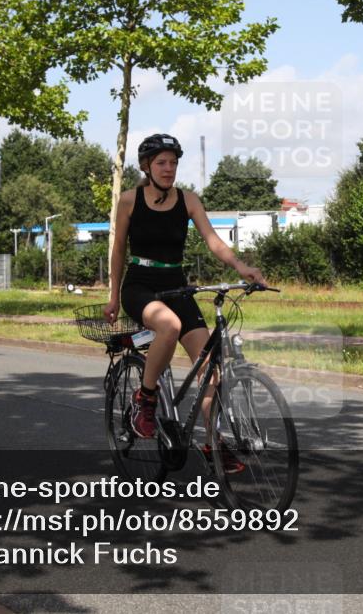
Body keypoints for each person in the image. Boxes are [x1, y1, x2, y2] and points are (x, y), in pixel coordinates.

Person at [103, 133, 267, 473]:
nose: (169, 168)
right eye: (162, 162)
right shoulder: (130, 200)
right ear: (147, 166)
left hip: (177, 286)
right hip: (140, 286)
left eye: (174, 162)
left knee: (211, 369)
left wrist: (241, 266)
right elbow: (118, 250)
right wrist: (113, 295)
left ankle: (212, 443)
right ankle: (145, 400)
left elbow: (214, 241)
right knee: (169, 326)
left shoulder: (188, 200)